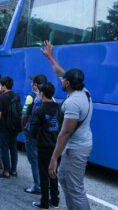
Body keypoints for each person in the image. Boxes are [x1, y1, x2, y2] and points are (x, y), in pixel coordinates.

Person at [42, 40, 93, 210]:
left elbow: (65, 133)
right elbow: (60, 71)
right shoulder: (82, 91)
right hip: (75, 146)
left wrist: (54, 158)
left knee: (75, 189)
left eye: (63, 80)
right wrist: (50, 57)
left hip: (76, 148)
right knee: (64, 179)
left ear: (67, 84)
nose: (61, 80)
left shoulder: (73, 103)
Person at [30, 82, 60, 209]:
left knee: (44, 174)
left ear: (41, 93)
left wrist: (38, 138)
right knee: (53, 172)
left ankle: (44, 202)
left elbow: (33, 130)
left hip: (44, 145)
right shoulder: (59, 107)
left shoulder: (40, 109)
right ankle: (55, 200)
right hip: (57, 145)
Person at [22, 74, 48, 195]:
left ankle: (38, 186)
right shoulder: (50, 97)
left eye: (32, 82)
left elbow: (24, 115)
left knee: (33, 159)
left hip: (32, 133)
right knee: (43, 159)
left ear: (35, 85)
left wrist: (24, 128)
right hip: (45, 133)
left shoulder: (30, 97)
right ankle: (45, 184)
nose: (31, 84)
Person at [0, 76, 20, 178]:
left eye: (1, 85)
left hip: (4, 127)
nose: (0, 87)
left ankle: (6, 171)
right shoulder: (16, 96)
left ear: (4, 86)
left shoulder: (1, 97)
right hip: (15, 126)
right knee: (13, 147)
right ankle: (14, 170)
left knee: (4, 148)